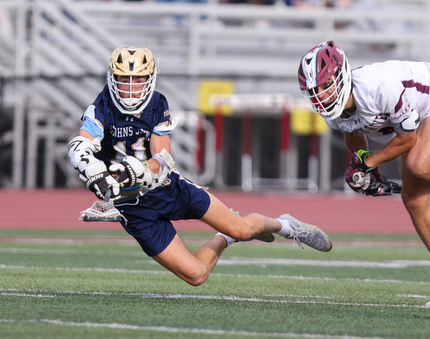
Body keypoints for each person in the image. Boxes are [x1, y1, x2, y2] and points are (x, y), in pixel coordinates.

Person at [69, 47, 332, 288]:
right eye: (123, 79)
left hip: (168, 189)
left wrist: (131, 171)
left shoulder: (156, 103)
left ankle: (285, 225)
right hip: (134, 209)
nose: (130, 87)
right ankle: (223, 238)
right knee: (196, 275)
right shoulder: (101, 107)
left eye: (138, 79)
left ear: (149, 79)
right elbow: (81, 145)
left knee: (241, 229)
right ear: (112, 78)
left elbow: (162, 160)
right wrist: (92, 169)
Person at [297, 41, 430, 308]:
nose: (321, 95)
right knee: (413, 198)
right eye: (314, 91)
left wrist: (369, 164)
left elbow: (407, 140)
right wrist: (363, 163)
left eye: (324, 86)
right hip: (417, 112)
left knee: (419, 165)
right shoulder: (333, 111)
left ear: (341, 75)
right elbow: (353, 131)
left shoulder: (377, 88)